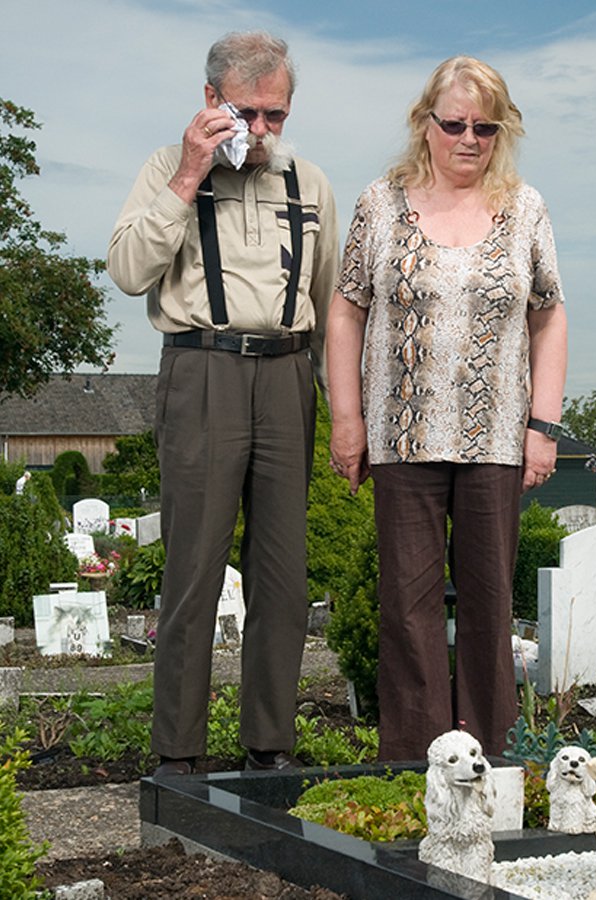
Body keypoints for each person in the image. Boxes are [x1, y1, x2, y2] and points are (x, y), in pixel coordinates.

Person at [108, 31, 339, 776]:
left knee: (282, 572)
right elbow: (127, 271)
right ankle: (178, 754)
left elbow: (329, 303)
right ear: (212, 101)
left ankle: (270, 747)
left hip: (285, 375)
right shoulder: (163, 169)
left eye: (277, 114)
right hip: (200, 371)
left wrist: (345, 417)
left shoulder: (310, 183)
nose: (265, 131)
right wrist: (186, 176)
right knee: (194, 566)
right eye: (250, 113)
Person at [327, 56, 568, 761]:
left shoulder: (525, 208)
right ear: (424, 123)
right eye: (454, 124)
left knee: (491, 606)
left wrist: (542, 427)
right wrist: (348, 419)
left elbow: (547, 317)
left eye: (484, 127)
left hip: (495, 437)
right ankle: (415, 764)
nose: (468, 139)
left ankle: (490, 762)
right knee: (407, 610)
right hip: (401, 438)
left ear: (501, 131)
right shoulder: (380, 204)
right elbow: (345, 311)